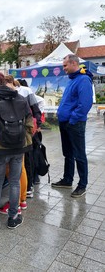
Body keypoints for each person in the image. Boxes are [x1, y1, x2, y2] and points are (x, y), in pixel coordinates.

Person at [0, 71, 33, 229]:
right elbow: (29, 122)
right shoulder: (20, 98)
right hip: (19, 147)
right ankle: (13, 217)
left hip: (0, 148)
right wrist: (25, 138)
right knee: (14, 182)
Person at [51, 54, 93, 197]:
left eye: (65, 65)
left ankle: (82, 185)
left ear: (74, 63)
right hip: (65, 123)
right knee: (68, 153)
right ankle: (67, 180)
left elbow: (85, 104)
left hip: (74, 124)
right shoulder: (72, 79)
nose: (64, 68)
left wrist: (72, 119)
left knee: (79, 155)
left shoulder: (83, 80)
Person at [15, 78, 42, 198]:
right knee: (24, 160)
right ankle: (28, 185)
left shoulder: (26, 91)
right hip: (19, 131)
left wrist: (37, 124)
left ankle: (29, 186)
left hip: (28, 130)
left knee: (28, 159)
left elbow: (36, 109)